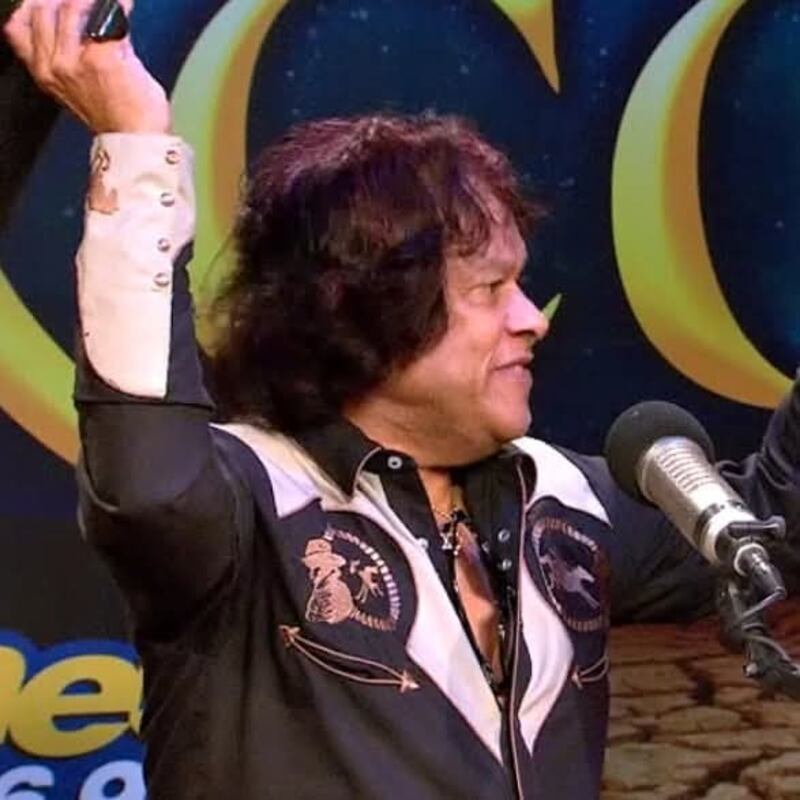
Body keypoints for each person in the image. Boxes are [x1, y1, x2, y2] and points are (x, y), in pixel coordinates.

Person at [5, 2, 800, 798]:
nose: (532, 319)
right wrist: (136, 140)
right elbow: (148, 487)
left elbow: (778, 527)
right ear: (367, 310)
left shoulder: (562, 501)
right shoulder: (250, 507)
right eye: (491, 288)